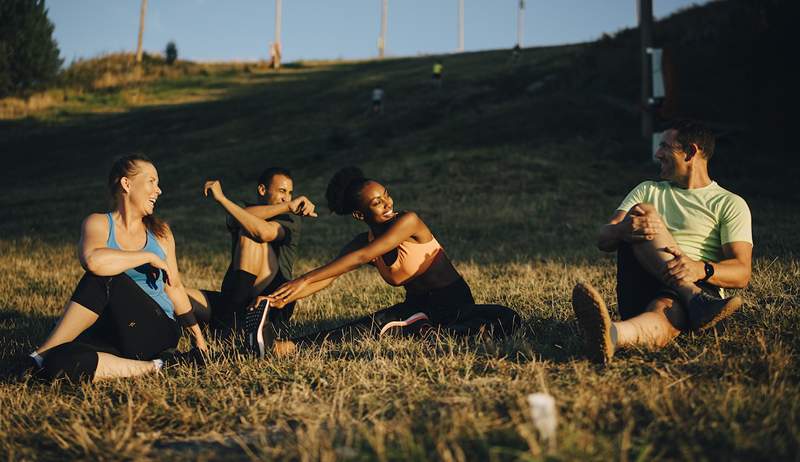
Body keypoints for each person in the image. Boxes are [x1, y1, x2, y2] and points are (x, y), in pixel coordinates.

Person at [250, 166, 521, 355]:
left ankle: (435, 332)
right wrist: (278, 298)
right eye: (377, 202)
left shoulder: (408, 221)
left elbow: (363, 257)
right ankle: (284, 347)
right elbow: (328, 277)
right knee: (372, 323)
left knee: (508, 319)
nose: (388, 203)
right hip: (418, 307)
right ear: (359, 214)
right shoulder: (362, 240)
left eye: (386, 195)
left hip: (454, 303)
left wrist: (303, 278)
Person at [572, 120, 753, 364]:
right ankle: (693, 297)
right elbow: (603, 239)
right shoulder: (648, 190)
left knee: (664, 307)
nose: (658, 154)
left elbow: (741, 272)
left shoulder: (729, 204)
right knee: (643, 211)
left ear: (690, 152)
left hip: (699, 285)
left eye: (665, 147)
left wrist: (700, 268)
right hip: (645, 279)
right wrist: (623, 229)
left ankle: (613, 334)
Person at [29, 154, 207, 382]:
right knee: (61, 364)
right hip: (113, 331)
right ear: (126, 184)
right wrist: (147, 256)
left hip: (156, 329)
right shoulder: (98, 223)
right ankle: (159, 366)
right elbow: (93, 261)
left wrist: (198, 339)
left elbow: (176, 288)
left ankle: (41, 354)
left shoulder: (160, 234)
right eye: (152, 181)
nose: (159, 190)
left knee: (105, 277)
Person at [186, 168, 316, 341]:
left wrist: (286, 207)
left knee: (250, 235)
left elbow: (262, 233)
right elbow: (239, 217)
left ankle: (227, 329)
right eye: (282, 191)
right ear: (262, 190)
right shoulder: (242, 210)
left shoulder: (291, 217)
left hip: (271, 303)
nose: (287, 198)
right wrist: (224, 201)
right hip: (234, 298)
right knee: (179, 296)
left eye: (290, 193)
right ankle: (228, 322)